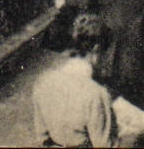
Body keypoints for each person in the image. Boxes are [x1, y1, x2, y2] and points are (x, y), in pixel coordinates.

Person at [32, 11, 117, 149]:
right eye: (107, 52)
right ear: (97, 49)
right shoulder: (96, 94)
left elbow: (42, 138)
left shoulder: (42, 83)